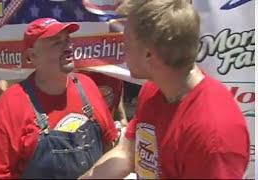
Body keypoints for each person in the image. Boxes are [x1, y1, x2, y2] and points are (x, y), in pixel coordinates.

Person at [79, 0, 250, 179]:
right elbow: (127, 154)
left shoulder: (214, 134)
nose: (122, 49)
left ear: (148, 54)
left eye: (126, 42)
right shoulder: (153, 89)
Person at [0, 18, 118, 179]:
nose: (67, 47)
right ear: (32, 56)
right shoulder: (10, 107)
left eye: (67, 40)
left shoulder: (88, 87)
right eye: (56, 43)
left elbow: (109, 144)